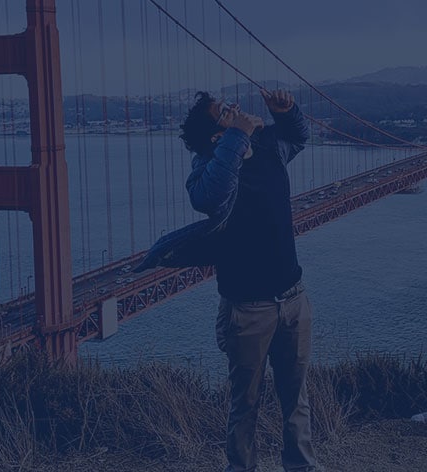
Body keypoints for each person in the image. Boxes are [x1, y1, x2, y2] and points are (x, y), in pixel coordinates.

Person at [135, 88, 316, 472]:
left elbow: (299, 138)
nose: (235, 109)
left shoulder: (268, 146)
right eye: (224, 113)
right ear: (218, 134)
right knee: (245, 405)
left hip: (294, 297)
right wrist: (238, 134)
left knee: (296, 399)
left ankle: (302, 467)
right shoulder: (205, 168)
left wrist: (287, 113)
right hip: (247, 308)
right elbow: (209, 198)